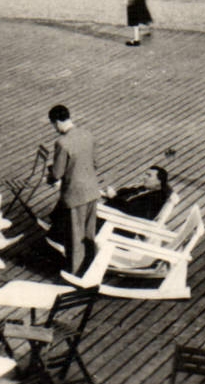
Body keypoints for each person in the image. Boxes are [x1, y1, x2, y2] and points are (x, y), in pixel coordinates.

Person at [45, 104, 101, 278]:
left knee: (75, 237)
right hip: (92, 191)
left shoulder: (62, 142)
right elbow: (94, 163)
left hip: (75, 195)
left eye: (54, 125)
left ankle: (75, 273)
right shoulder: (87, 134)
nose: (55, 129)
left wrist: (50, 174)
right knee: (89, 233)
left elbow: (57, 173)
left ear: (56, 122)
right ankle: (91, 266)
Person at [104, 165, 172, 220]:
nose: (144, 177)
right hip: (112, 215)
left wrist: (114, 198)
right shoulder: (143, 189)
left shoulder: (157, 198)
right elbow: (121, 195)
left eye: (149, 175)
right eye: (145, 175)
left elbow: (132, 211)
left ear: (159, 181)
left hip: (119, 222)